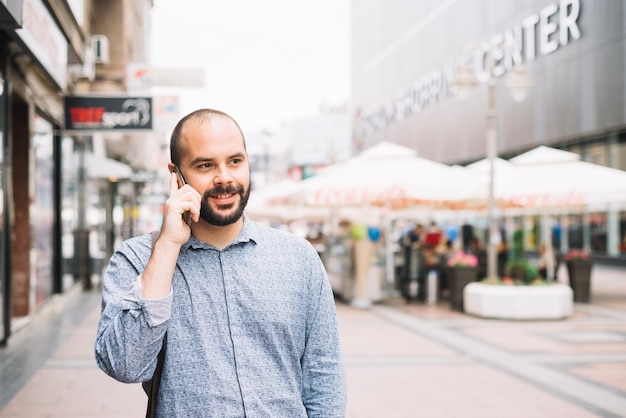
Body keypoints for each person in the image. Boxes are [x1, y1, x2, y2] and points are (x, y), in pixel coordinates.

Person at [94, 109, 346, 417]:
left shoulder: (299, 258)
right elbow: (124, 365)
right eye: (205, 165)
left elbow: (324, 375)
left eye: (235, 161)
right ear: (176, 174)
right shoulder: (137, 259)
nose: (225, 177)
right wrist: (168, 246)